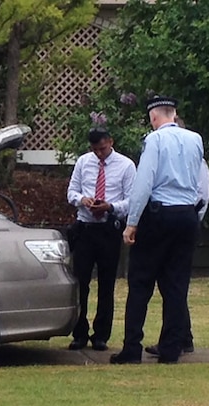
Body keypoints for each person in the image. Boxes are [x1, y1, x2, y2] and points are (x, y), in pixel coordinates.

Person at [110, 95, 204, 364]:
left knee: (140, 283)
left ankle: (131, 348)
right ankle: (171, 348)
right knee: (176, 285)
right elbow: (198, 182)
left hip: (159, 214)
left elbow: (144, 183)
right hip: (187, 214)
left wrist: (132, 222)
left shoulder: (154, 140)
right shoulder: (195, 139)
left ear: (154, 117)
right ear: (174, 114)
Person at [65, 127, 136, 351]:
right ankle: (79, 332)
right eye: (95, 150)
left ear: (110, 142)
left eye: (102, 149)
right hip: (85, 228)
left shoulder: (125, 165)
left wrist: (111, 206)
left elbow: (132, 200)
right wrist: (82, 199)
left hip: (108, 228)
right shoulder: (83, 162)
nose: (99, 154)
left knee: (106, 284)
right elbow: (71, 192)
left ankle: (101, 335)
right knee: (80, 282)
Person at [144, 116, 209, 357]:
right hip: (181, 220)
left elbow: (201, 194)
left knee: (174, 284)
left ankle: (178, 338)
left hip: (182, 220)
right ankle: (181, 336)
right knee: (172, 284)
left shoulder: (195, 161)